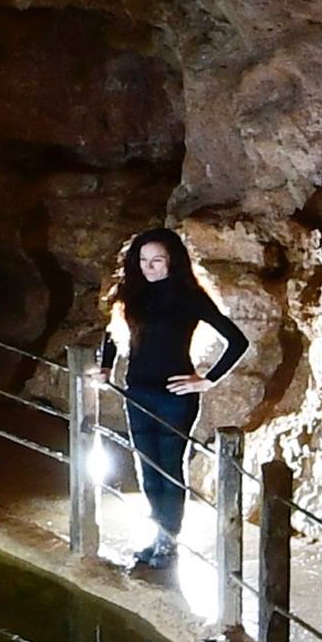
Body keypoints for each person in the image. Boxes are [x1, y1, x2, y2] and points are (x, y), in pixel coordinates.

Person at [104, 227, 249, 575]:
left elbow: (237, 340)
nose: (149, 268)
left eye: (157, 261)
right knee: (146, 468)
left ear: (173, 261)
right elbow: (113, 332)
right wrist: (105, 367)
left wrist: (206, 380)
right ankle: (157, 533)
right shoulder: (131, 293)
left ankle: (169, 540)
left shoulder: (188, 296)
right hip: (136, 390)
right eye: (143, 261)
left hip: (174, 396)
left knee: (169, 468)